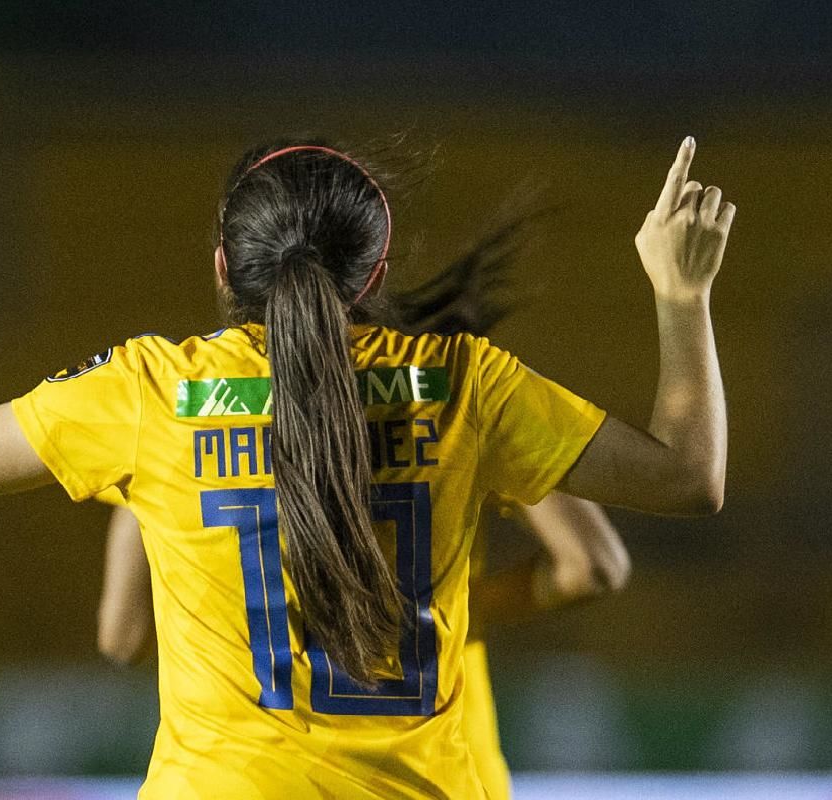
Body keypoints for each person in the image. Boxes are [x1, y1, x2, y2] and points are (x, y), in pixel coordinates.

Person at [0, 111, 733, 799]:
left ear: (222, 268)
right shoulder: (465, 386)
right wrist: (682, 295)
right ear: (375, 272)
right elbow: (686, 483)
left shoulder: (150, 396)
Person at [93, 218, 633, 800]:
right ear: (371, 277)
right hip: (437, 772)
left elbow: (121, 639)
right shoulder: (447, 404)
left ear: (233, 269)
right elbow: (594, 564)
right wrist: (430, 615)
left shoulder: (187, 421)